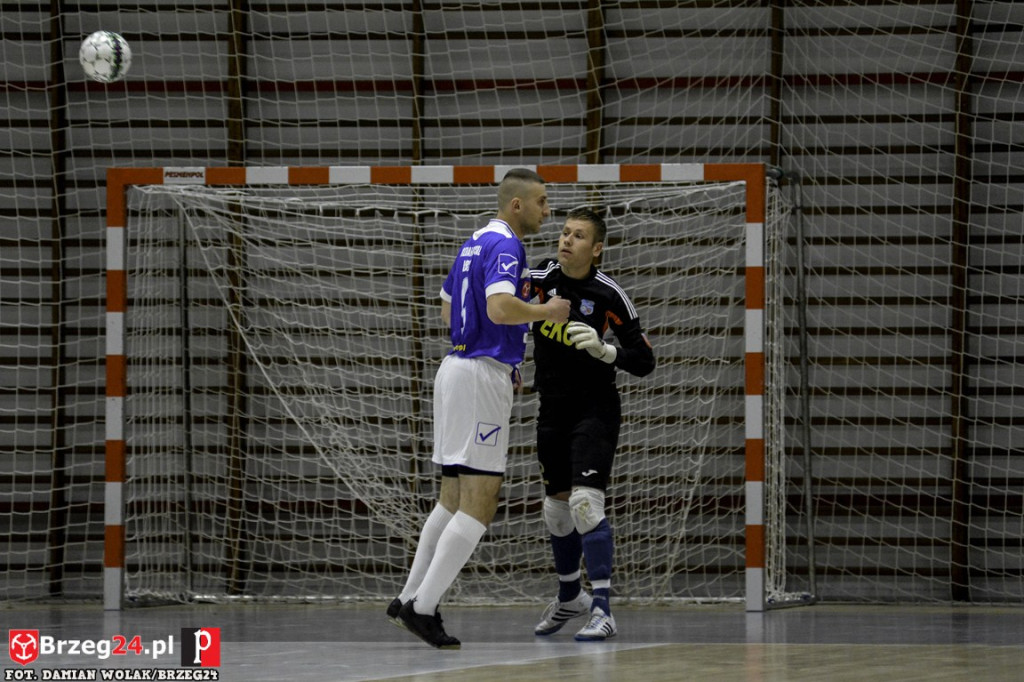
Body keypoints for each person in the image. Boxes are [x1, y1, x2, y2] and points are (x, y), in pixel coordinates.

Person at [387, 168, 571, 649]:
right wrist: (543, 314)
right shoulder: (507, 246)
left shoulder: (471, 244)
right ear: (517, 205)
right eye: (542, 201)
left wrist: (495, 343)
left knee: (451, 497)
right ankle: (421, 608)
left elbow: (449, 309)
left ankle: (408, 595)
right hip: (479, 378)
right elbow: (499, 308)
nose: (547, 211)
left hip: (454, 368)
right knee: (481, 500)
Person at [528, 207, 655, 641]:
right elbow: (502, 303)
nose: (566, 240)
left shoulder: (608, 294)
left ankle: (602, 609)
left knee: (585, 504)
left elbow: (644, 360)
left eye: (578, 236)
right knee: (556, 509)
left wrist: (606, 351)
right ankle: (570, 597)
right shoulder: (540, 277)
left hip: (594, 410)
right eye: (563, 232)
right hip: (551, 408)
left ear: (596, 248)